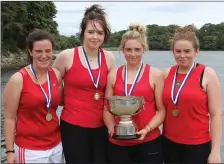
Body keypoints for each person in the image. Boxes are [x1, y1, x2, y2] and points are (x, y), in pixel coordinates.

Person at [53, 4, 115, 164]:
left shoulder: (109, 58)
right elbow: (51, 89)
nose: (95, 37)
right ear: (83, 33)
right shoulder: (66, 56)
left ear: (105, 35)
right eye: (91, 32)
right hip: (73, 127)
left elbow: (112, 92)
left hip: (101, 126)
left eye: (100, 33)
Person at [103, 24, 165, 163]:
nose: (133, 54)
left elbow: (161, 110)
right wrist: (113, 130)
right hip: (118, 144)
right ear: (122, 50)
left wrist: (147, 129)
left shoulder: (155, 74)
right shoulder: (113, 75)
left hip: (148, 141)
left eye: (137, 49)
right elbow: (107, 107)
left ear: (144, 50)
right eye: (128, 49)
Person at [162, 25, 222, 164]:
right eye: (178, 51)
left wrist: (215, 152)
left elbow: (215, 115)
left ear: (197, 51)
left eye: (187, 51)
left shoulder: (207, 74)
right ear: (173, 52)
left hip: (198, 146)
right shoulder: (166, 74)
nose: (182, 56)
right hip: (168, 143)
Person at [3, 29, 64, 163]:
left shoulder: (56, 75)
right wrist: (9, 151)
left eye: (48, 51)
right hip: (30, 149)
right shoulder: (18, 79)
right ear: (31, 52)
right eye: (38, 51)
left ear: (52, 51)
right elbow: (9, 117)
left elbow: (61, 103)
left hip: (56, 145)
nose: (44, 55)